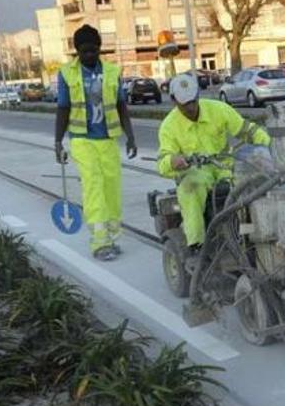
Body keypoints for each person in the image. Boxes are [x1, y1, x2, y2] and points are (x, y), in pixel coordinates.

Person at [156, 73, 270, 251]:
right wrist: (173, 161)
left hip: (225, 166)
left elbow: (247, 130)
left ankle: (249, 234)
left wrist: (268, 145)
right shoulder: (169, 127)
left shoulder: (218, 109)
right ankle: (197, 244)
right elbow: (162, 162)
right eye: (185, 104)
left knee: (252, 184)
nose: (191, 107)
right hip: (196, 172)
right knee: (191, 188)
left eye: (193, 101)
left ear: (198, 95)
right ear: (173, 100)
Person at [55, 24, 137, 261]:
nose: (89, 56)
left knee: (111, 187)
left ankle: (111, 236)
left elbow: (122, 106)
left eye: (93, 51)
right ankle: (99, 242)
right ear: (76, 51)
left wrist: (130, 136)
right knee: (93, 185)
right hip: (82, 139)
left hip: (108, 139)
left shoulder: (112, 72)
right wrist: (58, 142)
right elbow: (63, 108)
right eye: (84, 51)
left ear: (100, 48)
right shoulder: (66, 73)